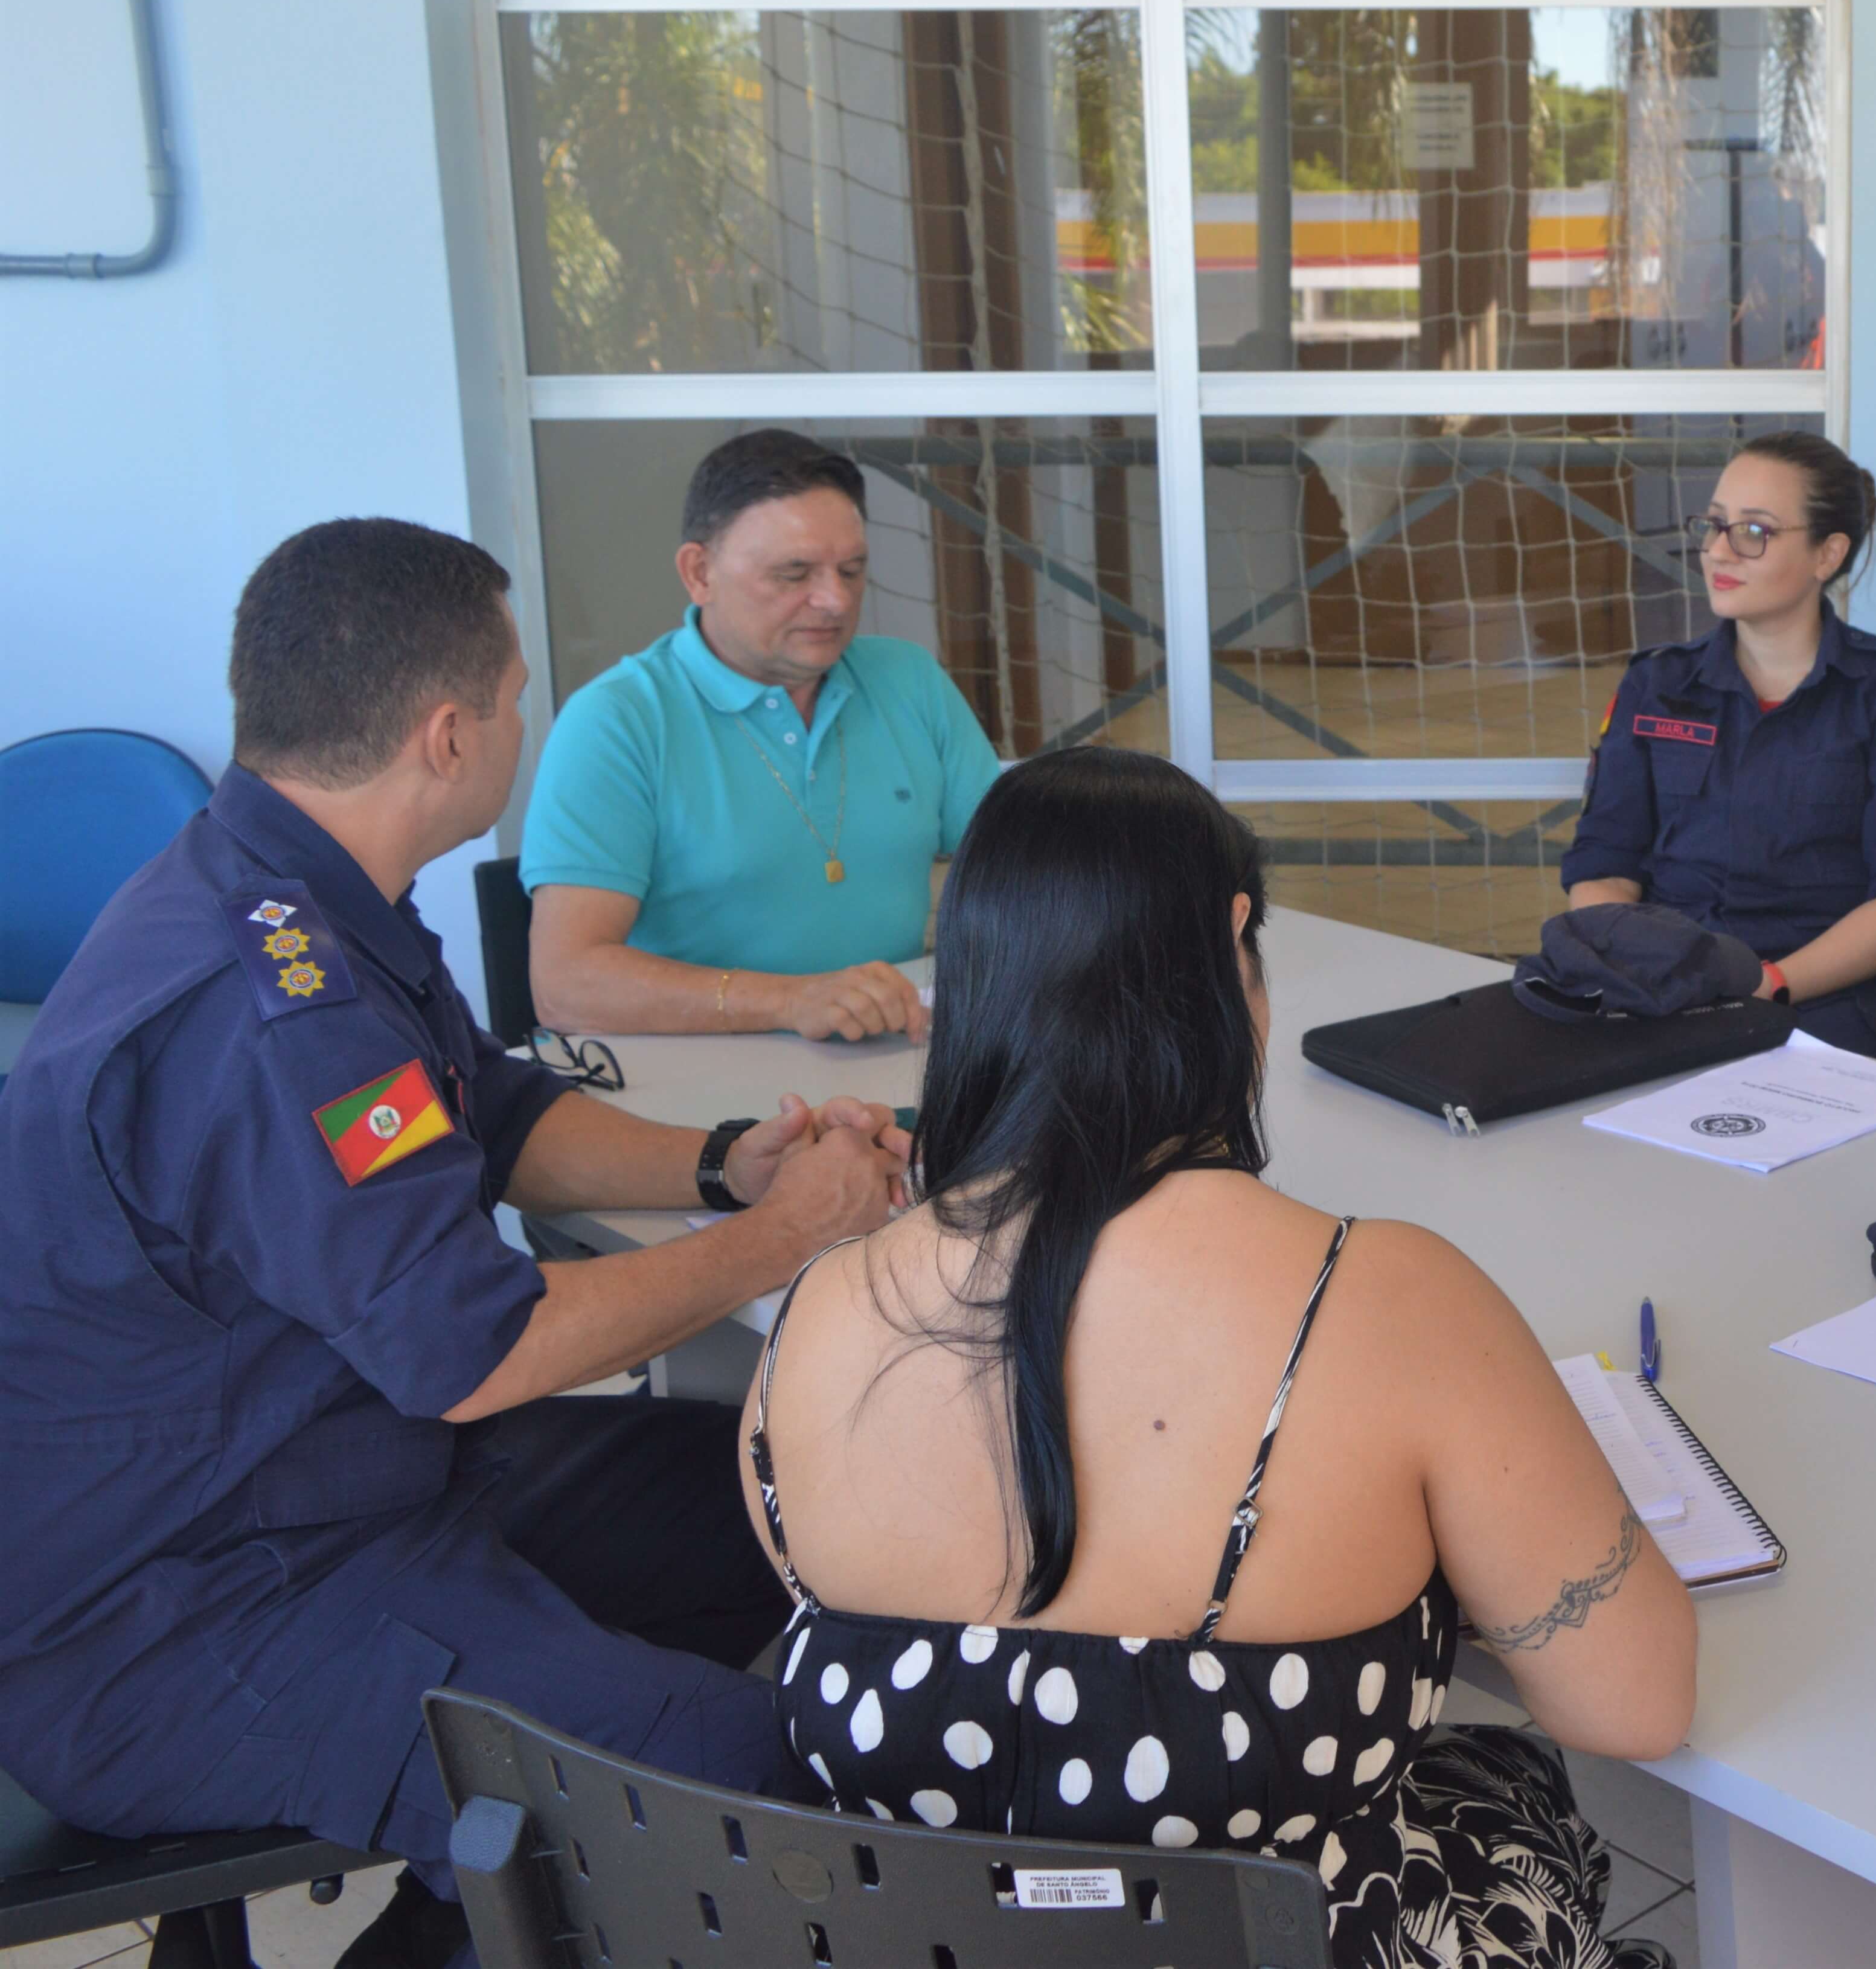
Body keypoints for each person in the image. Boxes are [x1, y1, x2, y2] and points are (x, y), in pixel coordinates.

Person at [0, 519, 908, 1969]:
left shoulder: (286, 889)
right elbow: (478, 1351)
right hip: (184, 1617)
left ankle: (483, 1889)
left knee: (783, 1492)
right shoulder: (270, 1006)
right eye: (517, 697)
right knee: (749, 1783)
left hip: (333, 1482)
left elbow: (483, 1109)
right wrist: (791, 1235)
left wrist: (728, 1165)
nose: (524, 727)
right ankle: (537, 1856)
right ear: (447, 734)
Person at [743, 746, 1697, 1969]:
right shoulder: (1388, 1299)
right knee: (1501, 1786)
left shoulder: (819, 1312)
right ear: (1234, 934)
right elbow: (1633, 1704)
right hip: (1296, 1939)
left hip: (935, 1942)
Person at [523, 429, 1003, 1043]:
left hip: (891, 1056)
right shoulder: (617, 719)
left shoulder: (909, 679)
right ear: (699, 572)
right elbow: (564, 984)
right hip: (691, 1078)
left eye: (852, 571)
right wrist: (791, 1001)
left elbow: (1023, 866)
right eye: (794, 574)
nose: (835, 601)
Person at [1560, 431, 1876, 1066]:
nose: (1718, 551)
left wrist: (1769, 984)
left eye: (1754, 531)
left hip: (1828, 1000)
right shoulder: (1657, 685)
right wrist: (1635, 959)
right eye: (1714, 525)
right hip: (1664, 989)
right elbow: (1604, 862)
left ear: (1827, 554)